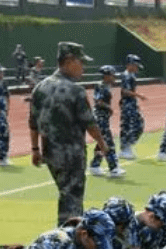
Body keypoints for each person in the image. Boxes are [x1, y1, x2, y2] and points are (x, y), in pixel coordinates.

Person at [29, 42, 110, 225]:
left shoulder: (39, 88)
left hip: (51, 154)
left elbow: (33, 123)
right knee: (72, 203)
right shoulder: (75, 90)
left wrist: (35, 149)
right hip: (72, 155)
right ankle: (67, 241)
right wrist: (103, 145)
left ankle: (67, 235)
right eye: (81, 62)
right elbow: (90, 123)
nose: (83, 67)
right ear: (69, 61)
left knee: (66, 195)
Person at [89, 65, 124, 179]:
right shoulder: (101, 86)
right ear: (107, 76)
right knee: (108, 142)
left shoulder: (107, 86)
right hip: (100, 117)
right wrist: (109, 108)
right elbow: (98, 101)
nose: (114, 77)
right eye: (113, 75)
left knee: (101, 143)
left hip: (103, 117)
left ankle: (95, 165)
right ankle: (113, 168)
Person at [118, 54, 147, 160]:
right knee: (133, 125)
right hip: (127, 104)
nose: (136, 68)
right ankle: (126, 148)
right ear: (129, 64)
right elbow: (124, 91)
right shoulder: (126, 75)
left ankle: (126, 148)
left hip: (131, 103)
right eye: (135, 65)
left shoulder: (131, 75)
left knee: (131, 125)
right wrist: (139, 96)